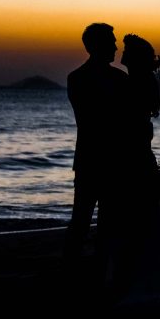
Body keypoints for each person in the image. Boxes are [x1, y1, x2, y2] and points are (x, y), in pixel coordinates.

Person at [109, 33, 160, 305]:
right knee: (142, 222)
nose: (122, 52)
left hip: (133, 159)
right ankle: (144, 279)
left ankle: (138, 283)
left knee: (135, 222)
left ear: (135, 56)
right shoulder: (141, 82)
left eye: (127, 49)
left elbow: (130, 126)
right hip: (139, 157)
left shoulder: (134, 84)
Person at [64, 23, 128, 261]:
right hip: (93, 159)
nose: (115, 46)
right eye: (111, 41)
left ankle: (101, 268)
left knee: (107, 222)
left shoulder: (119, 78)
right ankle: (73, 267)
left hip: (108, 159)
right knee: (82, 218)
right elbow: (91, 118)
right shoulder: (78, 78)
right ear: (95, 46)